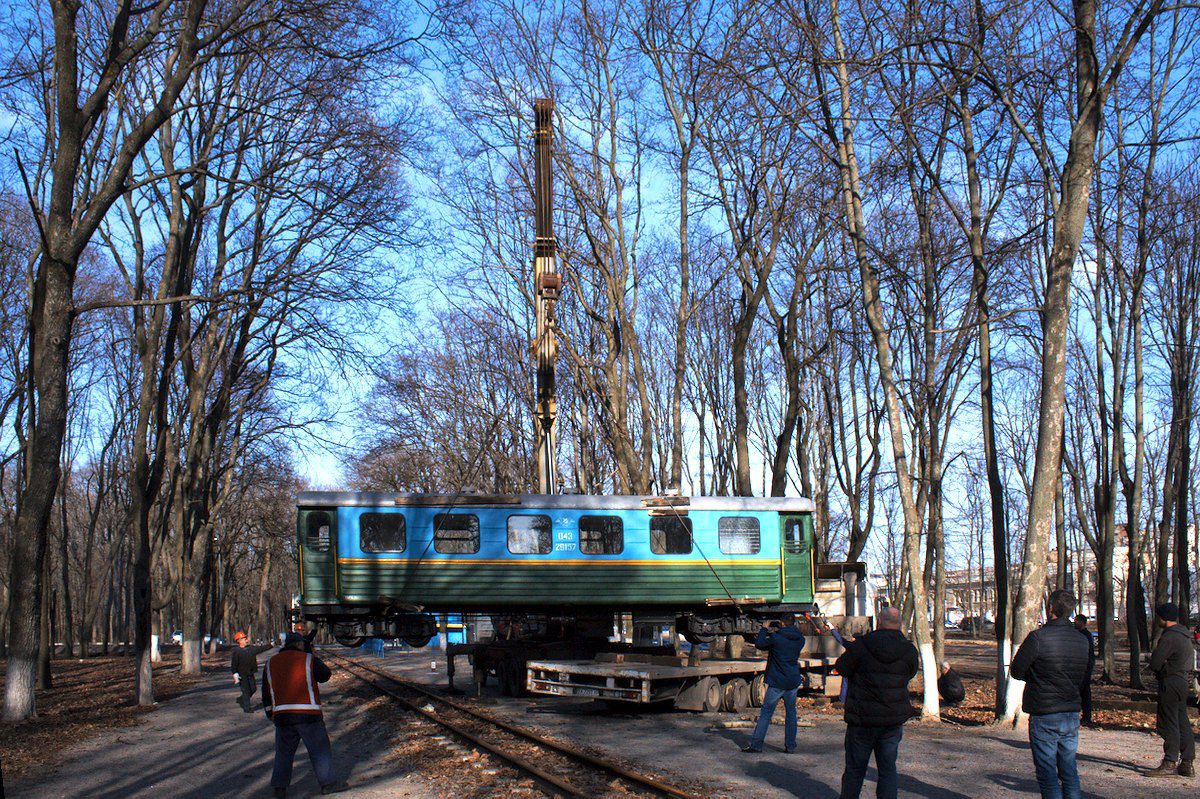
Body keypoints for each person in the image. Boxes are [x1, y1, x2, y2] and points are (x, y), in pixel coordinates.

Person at [1009, 589, 1090, 799]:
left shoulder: (1038, 638)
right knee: (1069, 769)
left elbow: (1017, 670)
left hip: (1044, 711)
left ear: (1050, 608)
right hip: (1071, 710)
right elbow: (1084, 674)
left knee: (1047, 773)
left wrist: (1037, 677)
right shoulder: (1082, 640)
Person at [836, 606, 919, 799]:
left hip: (862, 719)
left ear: (879, 622)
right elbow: (911, 673)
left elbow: (842, 668)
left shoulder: (861, 646)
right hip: (891, 720)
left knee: (855, 770)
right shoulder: (908, 650)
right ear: (899, 625)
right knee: (888, 770)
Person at [262, 632, 345, 796]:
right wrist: (311, 653)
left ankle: (279, 788)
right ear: (300, 644)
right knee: (319, 751)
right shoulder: (308, 659)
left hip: (282, 716)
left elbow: (266, 691)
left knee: (284, 753)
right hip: (309, 714)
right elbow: (325, 675)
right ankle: (328, 784)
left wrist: (270, 713)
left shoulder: (270, 662)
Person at [742, 613, 806, 754]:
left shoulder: (777, 638)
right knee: (791, 713)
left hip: (777, 681)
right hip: (792, 680)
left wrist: (765, 628)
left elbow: (759, 644)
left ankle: (756, 745)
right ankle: (790, 746)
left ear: (782, 623)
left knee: (766, 713)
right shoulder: (800, 639)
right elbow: (790, 635)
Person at [1145, 603, 1195, 778]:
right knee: (1182, 721)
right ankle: (1187, 762)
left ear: (1162, 618)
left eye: (1158, 616)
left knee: (1170, 722)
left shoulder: (1170, 637)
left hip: (1170, 681)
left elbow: (1156, 663)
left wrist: (1155, 663)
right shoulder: (1185, 635)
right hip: (1182, 681)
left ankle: (1169, 761)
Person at [230, 632, 272, 712]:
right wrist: (235, 673)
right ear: (239, 641)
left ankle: (242, 699)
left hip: (250, 673)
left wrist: (271, 645)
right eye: (244, 639)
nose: (246, 640)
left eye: (245, 638)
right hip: (241, 674)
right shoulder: (236, 652)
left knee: (253, 689)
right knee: (246, 690)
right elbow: (234, 664)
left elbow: (261, 649)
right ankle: (247, 708)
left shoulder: (251, 648)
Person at [1073, 615, 1095, 726]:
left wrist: (1088, 669)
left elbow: (1090, 654)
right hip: (1079, 668)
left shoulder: (1085, 635)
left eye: (1076, 621)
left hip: (1084, 668)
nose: (1075, 623)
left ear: (1082, 622)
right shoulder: (1078, 634)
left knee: (1085, 694)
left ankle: (1086, 716)